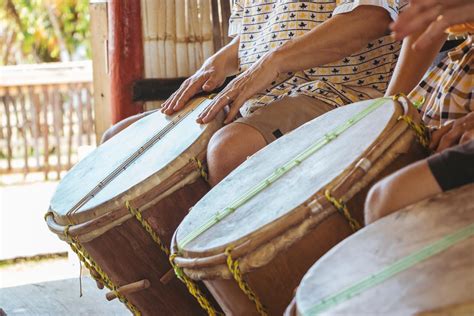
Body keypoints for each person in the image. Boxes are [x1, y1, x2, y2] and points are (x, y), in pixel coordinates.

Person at [103, 0, 408, 186]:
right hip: (264, 98)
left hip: (340, 92)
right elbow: (261, 35)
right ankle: (175, 285)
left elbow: (370, 18)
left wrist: (274, 62)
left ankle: (247, 286)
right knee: (120, 141)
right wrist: (218, 62)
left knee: (230, 150)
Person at [364, 0, 474, 224]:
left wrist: (275, 61)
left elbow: (367, 18)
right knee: (383, 190)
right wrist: (386, 113)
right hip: (455, 71)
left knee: (387, 200)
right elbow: (428, 14)